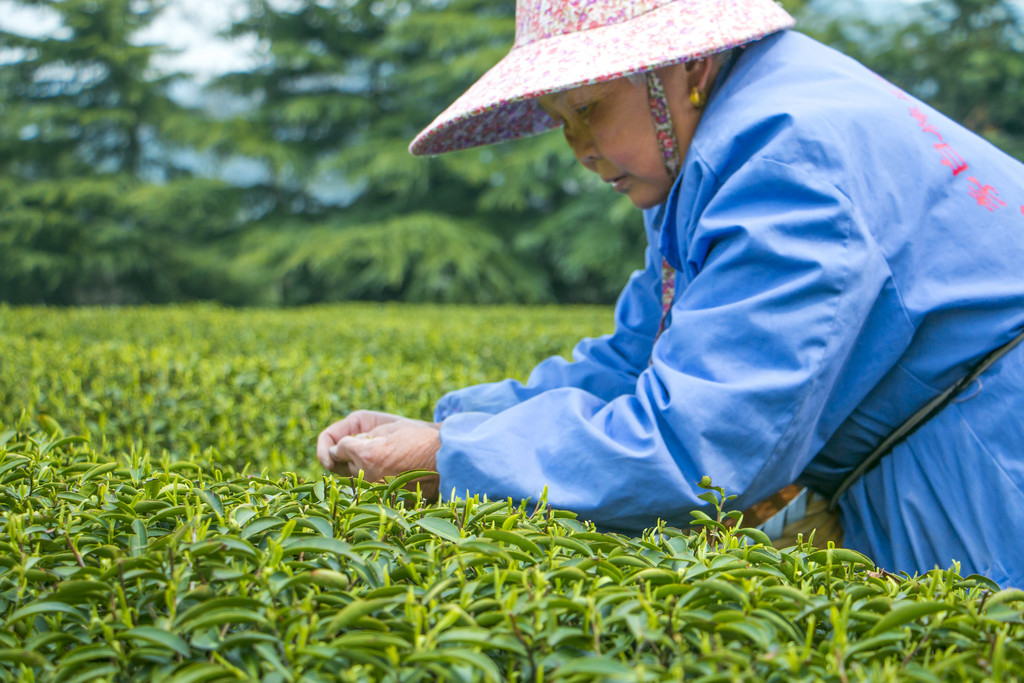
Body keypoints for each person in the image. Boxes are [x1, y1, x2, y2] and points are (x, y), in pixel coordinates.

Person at [317, 0, 1024, 587]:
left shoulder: (780, 157)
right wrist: (449, 425)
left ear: (686, 65)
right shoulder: (722, 145)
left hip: (989, 465)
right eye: (562, 121)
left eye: (590, 108)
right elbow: (638, 357)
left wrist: (453, 456)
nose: (580, 149)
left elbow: (700, 441)